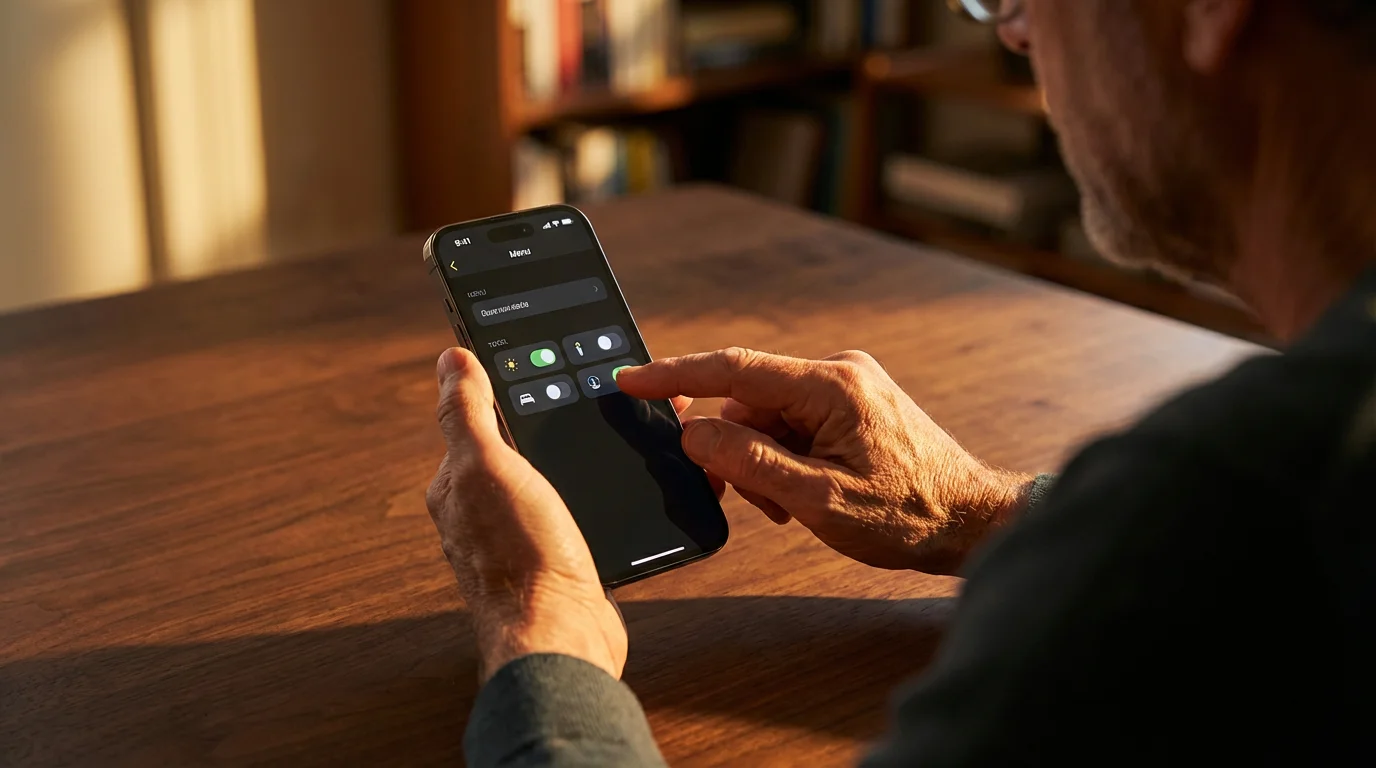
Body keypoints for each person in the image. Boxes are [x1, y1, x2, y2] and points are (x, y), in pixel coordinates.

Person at [424, 0, 1376, 764]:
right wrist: (984, 512)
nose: (1011, 30)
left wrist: (542, 629)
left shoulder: (1237, 500)